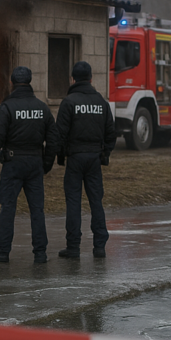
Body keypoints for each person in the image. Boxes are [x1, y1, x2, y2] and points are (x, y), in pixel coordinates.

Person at [0, 66, 60, 264]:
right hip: (35, 163)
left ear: (12, 83)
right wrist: (47, 164)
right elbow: (53, 138)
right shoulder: (42, 107)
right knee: (37, 210)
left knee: (8, 207)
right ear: (30, 82)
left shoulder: (7, 107)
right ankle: (40, 253)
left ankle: (3, 252)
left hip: (13, 163)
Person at [55, 61, 117, 258]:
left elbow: (59, 134)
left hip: (75, 158)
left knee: (73, 202)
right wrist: (104, 154)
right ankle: (99, 247)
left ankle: (73, 247)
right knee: (96, 202)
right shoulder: (101, 102)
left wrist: (60, 155)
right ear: (91, 79)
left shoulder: (68, 102)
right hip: (94, 159)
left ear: (73, 79)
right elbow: (111, 134)